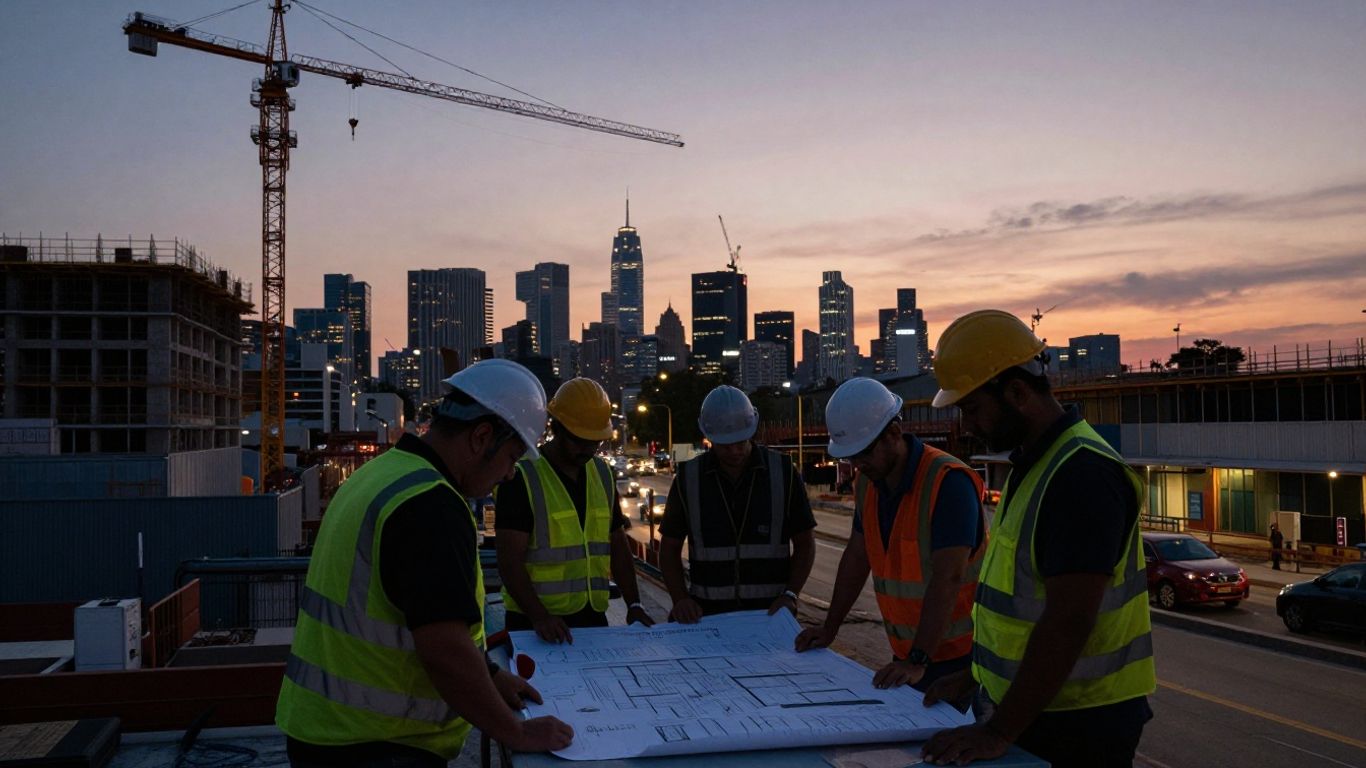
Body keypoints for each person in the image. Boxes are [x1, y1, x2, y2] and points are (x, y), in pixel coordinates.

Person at [276, 360, 574, 767]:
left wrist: (489, 675)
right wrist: (516, 731)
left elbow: (410, 613)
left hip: (327, 731)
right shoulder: (431, 505)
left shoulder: (382, 474)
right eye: (511, 457)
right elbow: (444, 650)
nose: (509, 475)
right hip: (377, 745)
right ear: (481, 437)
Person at [920, 310, 1154, 768]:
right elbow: (1021, 606)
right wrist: (973, 676)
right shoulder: (1035, 465)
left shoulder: (1081, 474)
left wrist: (998, 731)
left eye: (972, 409)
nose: (966, 425)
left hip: (1079, 725)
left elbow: (1068, 620)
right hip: (1037, 712)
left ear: (1016, 392)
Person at [795, 378, 986, 695]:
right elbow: (858, 557)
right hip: (911, 657)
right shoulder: (869, 483)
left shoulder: (947, 484)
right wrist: (830, 627)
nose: (857, 464)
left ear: (894, 434)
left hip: (964, 662)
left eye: (864, 453)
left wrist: (918, 658)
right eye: (851, 456)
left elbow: (948, 577)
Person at [497, 377, 655, 642]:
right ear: (557, 428)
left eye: (595, 441)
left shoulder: (603, 474)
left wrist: (635, 605)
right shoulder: (522, 477)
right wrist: (539, 617)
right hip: (533, 625)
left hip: (591, 619)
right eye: (579, 439)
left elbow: (617, 544)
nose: (588, 448)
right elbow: (509, 561)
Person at [659, 385, 817, 622]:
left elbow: (805, 543)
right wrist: (680, 599)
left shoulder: (783, 472)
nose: (734, 451)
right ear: (709, 438)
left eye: (740, 442)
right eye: (725, 445)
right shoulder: (688, 478)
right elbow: (669, 548)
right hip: (707, 617)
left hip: (769, 616)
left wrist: (790, 595)